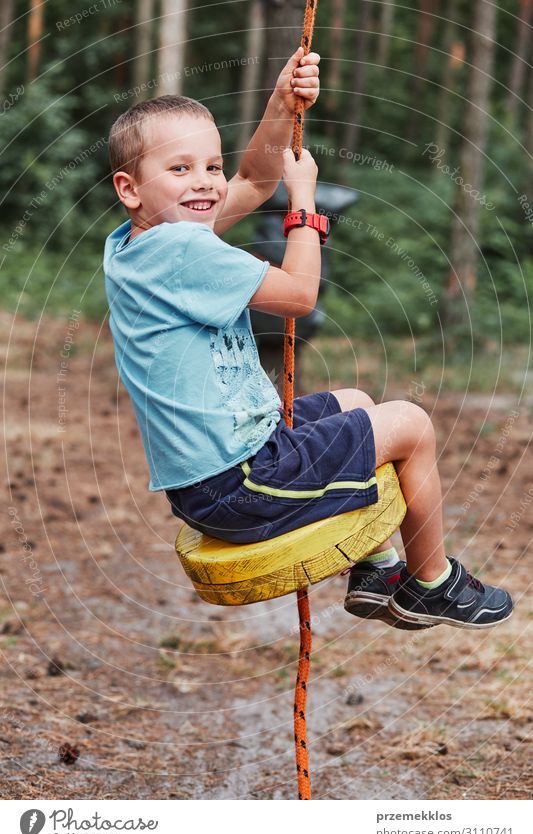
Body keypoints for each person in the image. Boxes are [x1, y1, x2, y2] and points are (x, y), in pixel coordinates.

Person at [103, 48, 513, 631]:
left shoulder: (136, 243)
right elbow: (299, 295)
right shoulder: (183, 247)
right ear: (130, 188)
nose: (206, 183)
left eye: (211, 167)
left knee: (356, 402)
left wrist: (280, 104)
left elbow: (251, 179)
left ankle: (376, 571)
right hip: (239, 482)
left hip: (222, 471)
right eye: (181, 169)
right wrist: (304, 201)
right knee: (411, 424)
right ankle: (431, 583)